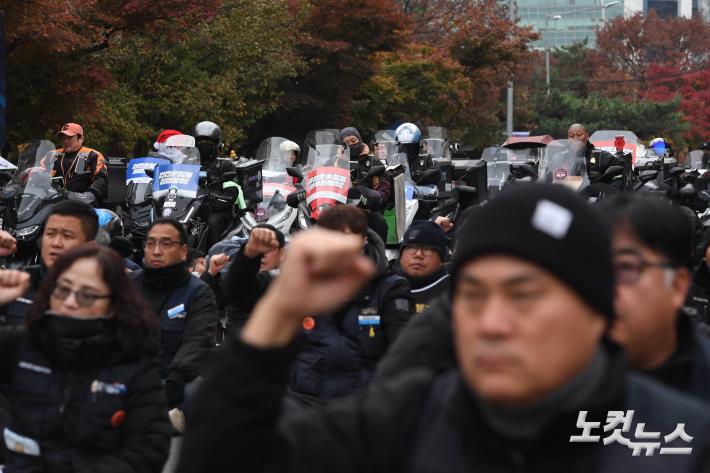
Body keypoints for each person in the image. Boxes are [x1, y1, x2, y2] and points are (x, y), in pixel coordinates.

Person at [177, 184, 710, 473]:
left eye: (525, 296)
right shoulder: (410, 413)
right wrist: (279, 313)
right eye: (474, 296)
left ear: (596, 310)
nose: (494, 324)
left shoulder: (680, 438)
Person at [0, 245, 171, 472]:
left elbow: (149, 448)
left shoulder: (134, 362)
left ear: (112, 305)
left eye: (87, 295)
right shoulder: (25, 344)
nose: (70, 301)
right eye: (63, 290)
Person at [596, 193, 710, 402]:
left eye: (626, 268)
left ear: (677, 285)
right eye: (596, 268)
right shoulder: (559, 376)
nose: (606, 287)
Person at [129, 218, 218, 409]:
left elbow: (198, 341)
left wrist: (176, 377)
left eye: (166, 244)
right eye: (151, 243)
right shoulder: (127, 285)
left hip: (172, 382)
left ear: (183, 251)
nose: (157, 250)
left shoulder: (198, 293)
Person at [0, 200, 98, 327]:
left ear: (89, 247)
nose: (56, 243)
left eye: (67, 236)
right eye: (50, 234)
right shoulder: (18, 281)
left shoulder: (103, 292)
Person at [221, 224, 286, 332]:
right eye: (256, 247)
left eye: (269, 248)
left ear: (282, 253)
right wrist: (210, 275)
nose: (262, 254)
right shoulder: (232, 275)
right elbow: (233, 294)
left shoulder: (292, 283)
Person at [192, 121, 240, 247]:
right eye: (200, 142)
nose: (204, 145)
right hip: (189, 209)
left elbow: (232, 194)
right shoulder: (187, 164)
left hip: (215, 210)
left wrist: (211, 195)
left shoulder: (225, 165)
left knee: (212, 222)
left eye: (209, 142)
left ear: (218, 145)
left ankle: (215, 252)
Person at [340, 127, 391, 241]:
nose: (350, 145)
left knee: (379, 221)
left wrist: (373, 196)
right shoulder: (334, 162)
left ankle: (378, 255)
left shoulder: (374, 162)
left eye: (353, 140)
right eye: (346, 143)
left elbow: (384, 191)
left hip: (366, 211)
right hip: (338, 209)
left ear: (360, 139)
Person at [40, 123, 108, 205]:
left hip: (81, 205)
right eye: (63, 138)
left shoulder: (93, 155)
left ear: (81, 139)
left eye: (69, 137)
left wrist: (89, 195)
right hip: (53, 202)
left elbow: (102, 179)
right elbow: (38, 174)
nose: (65, 141)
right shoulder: (51, 155)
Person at [394, 220, 450, 313]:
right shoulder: (383, 289)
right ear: (401, 256)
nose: (418, 254)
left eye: (427, 249)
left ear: (441, 258)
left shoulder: (455, 294)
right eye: (412, 247)